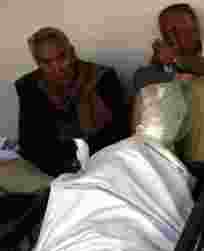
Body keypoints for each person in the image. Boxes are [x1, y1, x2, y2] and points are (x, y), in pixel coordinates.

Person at [1, 27, 129, 194]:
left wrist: (86, 162)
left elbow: (119, 131)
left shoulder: (102, 77)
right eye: (46, 62)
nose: (57, 68)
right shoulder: (28, 85)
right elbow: (31, 141)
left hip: (102, 161)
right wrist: (64, 167)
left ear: (72, 52)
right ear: (37, 62)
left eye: (62, 57)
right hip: (54, 169)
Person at [131, 3, 204, 162]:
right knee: (152, 92)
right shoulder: (155, 70)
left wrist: (177, 59)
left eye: (177, 30)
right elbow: (141, 84)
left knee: (203, 89)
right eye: (166, 32)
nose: (171, 37)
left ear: (195, 30)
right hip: (173, 142)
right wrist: (160, 66)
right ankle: (158, 168)